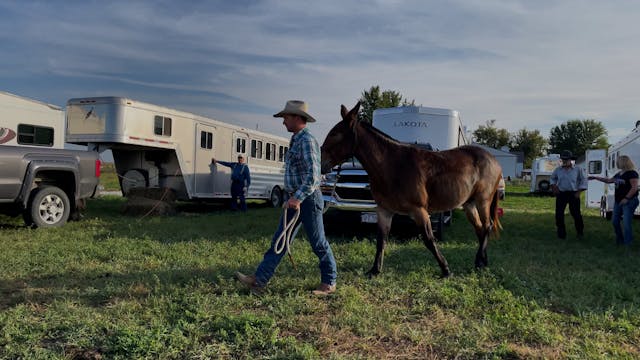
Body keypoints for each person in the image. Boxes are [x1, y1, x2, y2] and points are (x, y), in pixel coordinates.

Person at [236, 100, 338, 296]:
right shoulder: (297, 139)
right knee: (280, 240)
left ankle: (329, 282)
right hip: (296, 199)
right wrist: (292, 196)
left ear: (298, 118)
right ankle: (259, 280)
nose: (283, 122)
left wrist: (297, 197)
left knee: (318, 242)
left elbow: (313, 176)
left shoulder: (306, 140)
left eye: (286, 117)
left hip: (307, 199)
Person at [589, 155, 639, 247]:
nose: (616, 163)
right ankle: (620, 240)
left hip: (629, 201)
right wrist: (596, 177)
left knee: (626, 223)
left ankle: (628, 243)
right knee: (615, 221)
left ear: (624, 162)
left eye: (618, 161)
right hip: (618, 201)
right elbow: (608, 180)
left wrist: (626, 198)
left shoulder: (632, 173)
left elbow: (634, 188)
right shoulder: (619, 174)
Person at [550, 150, 588, 239]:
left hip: (573, 194)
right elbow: (552, 178)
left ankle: (580, 232)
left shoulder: (578, 169)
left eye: (566, 159)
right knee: (559, 214)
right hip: (561, 193)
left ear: (571, 159)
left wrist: (579, 192)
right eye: (563, 160)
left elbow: (584, 180)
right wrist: (554, 187)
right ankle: (561, 234)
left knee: (576, 214)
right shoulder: (558, 169)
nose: (564, 161)